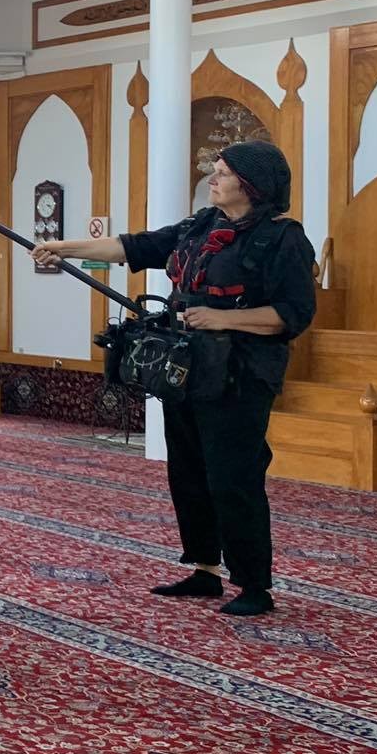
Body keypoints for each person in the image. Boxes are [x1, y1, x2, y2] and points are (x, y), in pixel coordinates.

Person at [33, 140, 316, 618]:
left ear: (250, 186)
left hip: (241, 377)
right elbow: (134, 246)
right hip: (186, 370)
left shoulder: (282, 239)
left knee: (233, 477)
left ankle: (253, 584)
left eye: (223, 173)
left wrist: (225, 320)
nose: (213, 178)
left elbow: (294, 314)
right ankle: (205, 569)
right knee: (187, 471)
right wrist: (63, 249)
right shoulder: (200, 226)